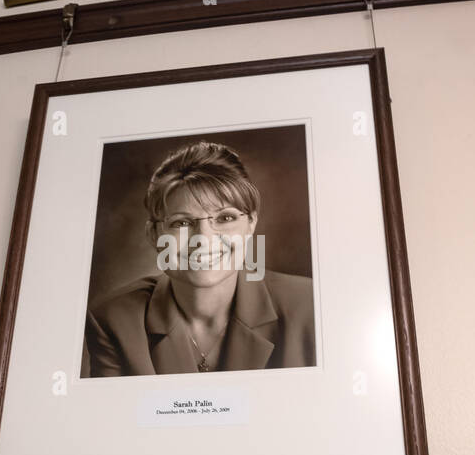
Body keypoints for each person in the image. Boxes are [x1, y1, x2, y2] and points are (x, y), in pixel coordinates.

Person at [84, 140, 316, 376]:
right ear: (154, 234)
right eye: (182, 223)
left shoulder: (309, 304)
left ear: (251, 223)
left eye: (225, 218)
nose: (203, 239)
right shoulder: (112, 321)